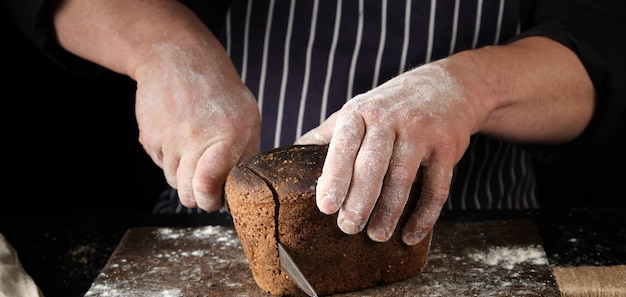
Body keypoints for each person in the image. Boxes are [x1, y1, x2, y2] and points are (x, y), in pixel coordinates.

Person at [3, 0, 625, 244]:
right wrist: (162, 47)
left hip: (474, 233)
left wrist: (469, 87)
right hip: (209, 231)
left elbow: (606, 36)